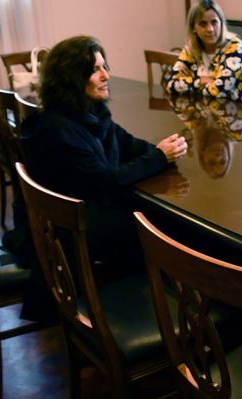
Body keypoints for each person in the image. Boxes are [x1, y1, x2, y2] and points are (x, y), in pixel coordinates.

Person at [20, 35, 188, 266]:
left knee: (166, 221)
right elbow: (105, 181)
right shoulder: (58, 129)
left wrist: (163, 151)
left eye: (104, 67)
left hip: (87, 216)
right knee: (169, 227)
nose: (106, 75)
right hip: (77, 235)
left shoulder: (88, 112)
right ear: (72, 79)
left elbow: (125, 142)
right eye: (95, 70)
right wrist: (158, 157)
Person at [165, 0, 242, 104]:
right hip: (203, 112)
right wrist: (202, 81)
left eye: (214, 22)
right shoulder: (191, 50)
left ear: (221, 23)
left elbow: (220, 91)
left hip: (237, 115)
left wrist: (189, 84)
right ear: (193, 28)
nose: (210, 29)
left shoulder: (235, 48)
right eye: (203, 24)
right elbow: (170, 85)